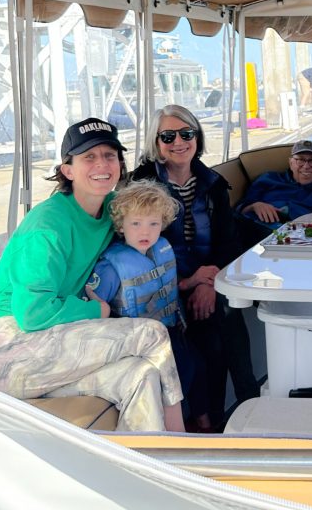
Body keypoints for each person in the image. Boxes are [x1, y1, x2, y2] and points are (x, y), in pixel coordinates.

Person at [0, 118, 184, 432]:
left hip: (49, 344)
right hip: (5, 349)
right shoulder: (47, 228)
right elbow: (33, 313)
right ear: (67, 170)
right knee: (150, 334)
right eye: (89, 157)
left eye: (110, 156)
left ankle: (148, 467)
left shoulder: (111, 210)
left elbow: (148, 216)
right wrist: (97, 310)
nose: (102, 164)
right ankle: (183, 439)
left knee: (141, 375)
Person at [132, 105, 259, 429]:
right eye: (168, 136)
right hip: (162, 290)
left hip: (207, 281)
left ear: (197, 137)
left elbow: (228, 242)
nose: (179, 141)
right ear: (156, 142)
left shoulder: (213, 184)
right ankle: (212, 423)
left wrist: (206, 282)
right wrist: (187, 283)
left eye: (186, 133)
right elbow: (136, 249)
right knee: (216, 334)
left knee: (226, 318)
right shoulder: (141, 187)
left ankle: (249, 410)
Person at [88, 180, 214, 433]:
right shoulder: (111, 268)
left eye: (153, 224)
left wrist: (193, 282)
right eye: (136, 223)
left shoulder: (162, 249)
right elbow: (94, 310)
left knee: (198, 370)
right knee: (181, 377)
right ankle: (181, 433)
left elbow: (167, 283)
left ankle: (206, 427)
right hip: (141, 347)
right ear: (121, 226)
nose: (145, 232)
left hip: (173, 331)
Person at [237, 140, 312, 232]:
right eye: (300, 160)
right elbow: (240, 209)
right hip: (250, 227)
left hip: (295, 235)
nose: (306, 166)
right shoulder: (269, 179)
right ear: (291, 163)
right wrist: (255, 206)